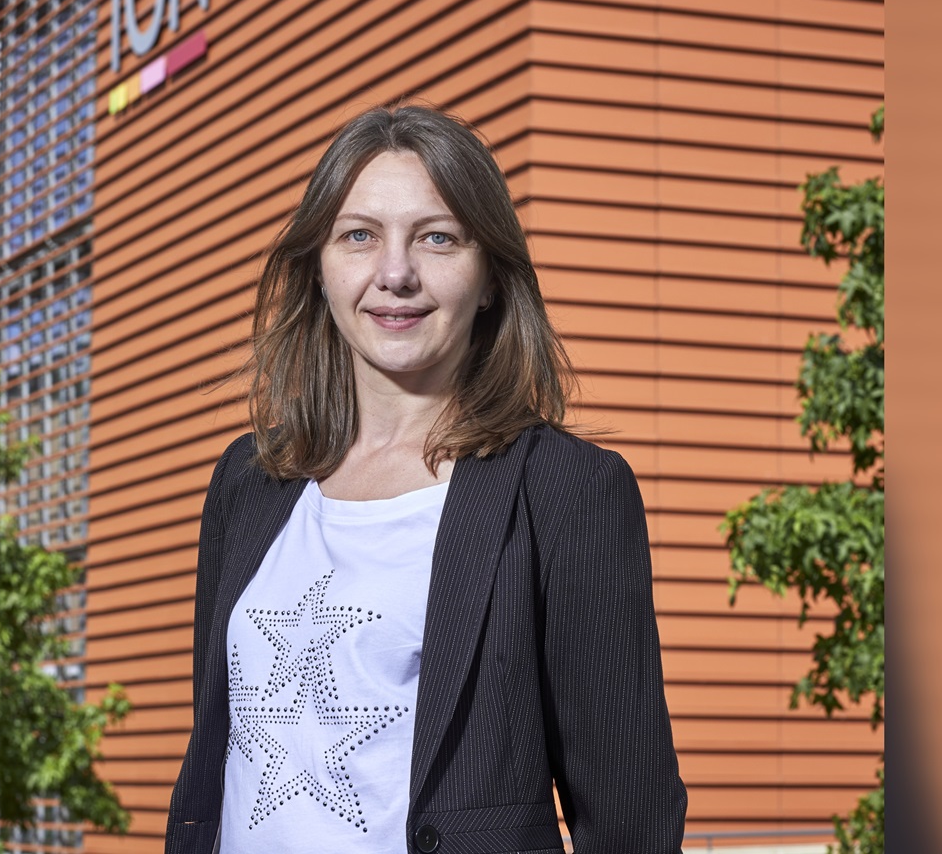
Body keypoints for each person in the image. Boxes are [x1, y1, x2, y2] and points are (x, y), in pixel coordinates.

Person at [164, 103, 686, 854]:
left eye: (437, 238)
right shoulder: (248, 484)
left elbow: (629, 820)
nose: (396, 273)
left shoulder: (566, 493)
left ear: (490, 279)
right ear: (320, 268)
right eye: (359, 236)